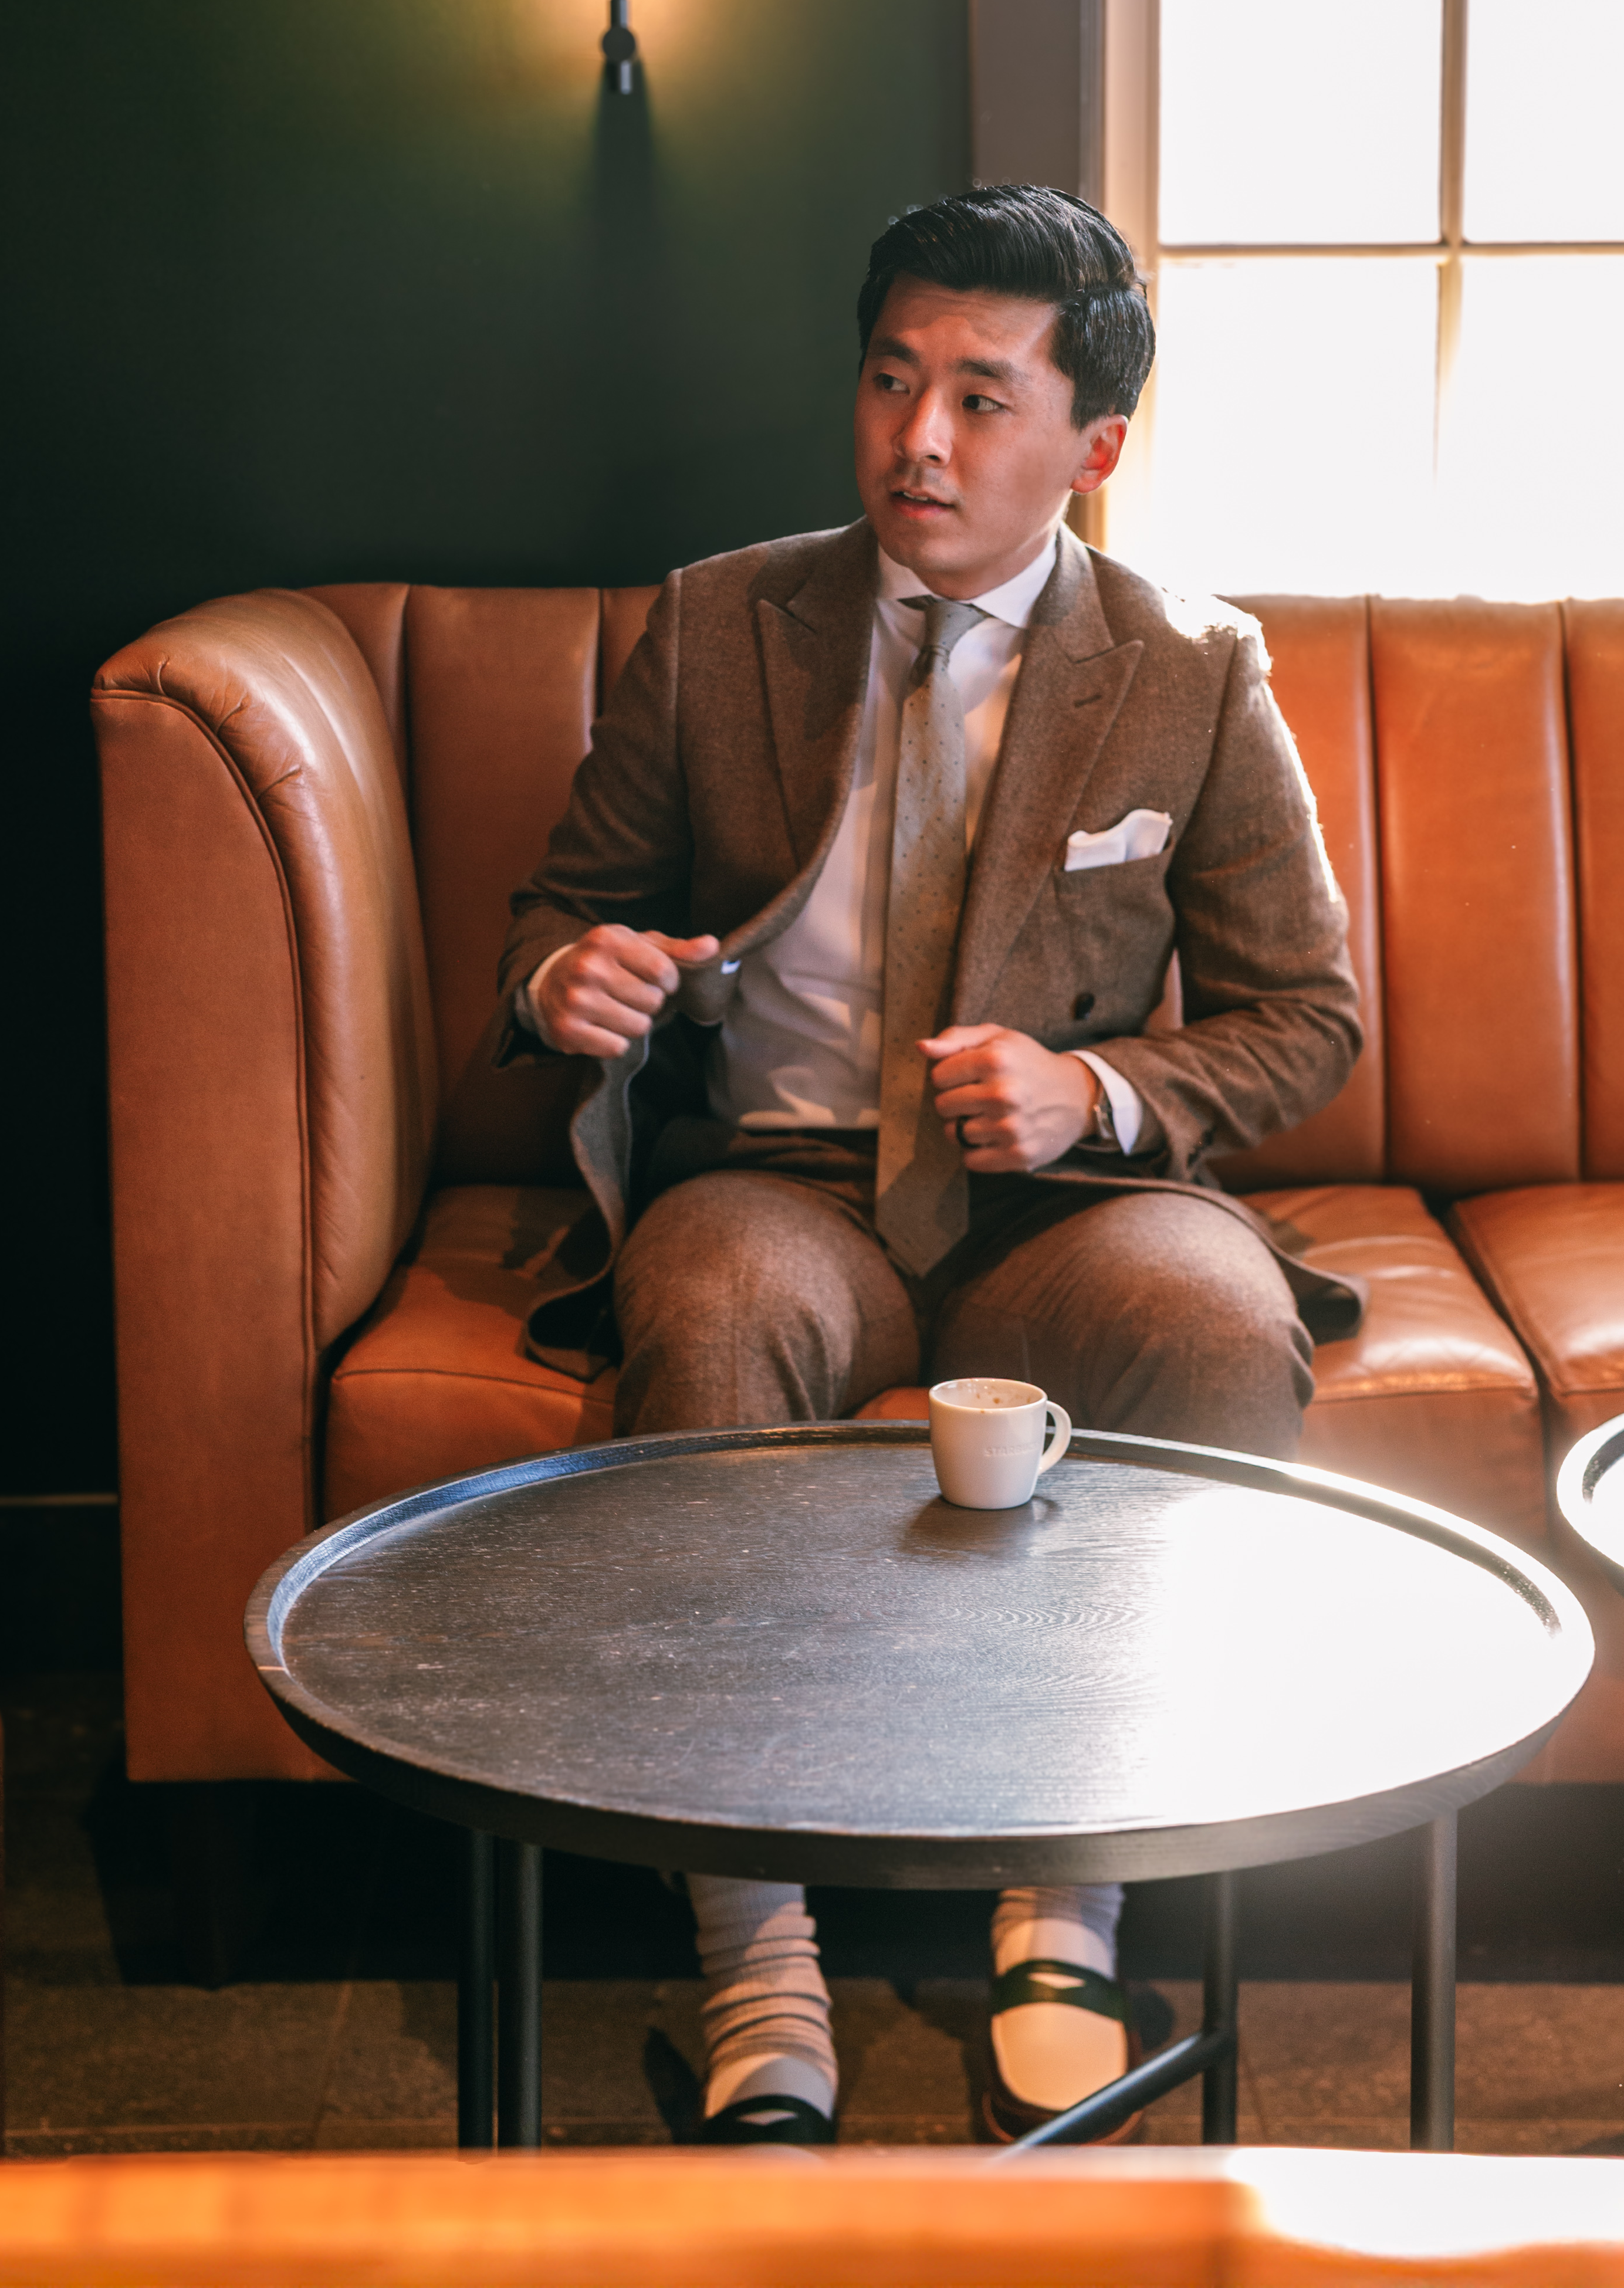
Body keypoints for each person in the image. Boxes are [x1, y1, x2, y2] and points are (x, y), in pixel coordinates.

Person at [498, 183, 1362, 2145]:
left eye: (985, 396)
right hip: (782, 1177)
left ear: (1097, 445)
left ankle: (1067, 1899)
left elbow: (1303, 1018)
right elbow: (558, 909)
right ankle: (753, 1947)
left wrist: (1098, 1094)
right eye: (895, 381)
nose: (920, 442)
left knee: (1220, 1319)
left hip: (1058, 1205)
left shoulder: (1191, 667)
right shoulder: (722, 620)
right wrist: (575, 974)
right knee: (705, 1308)